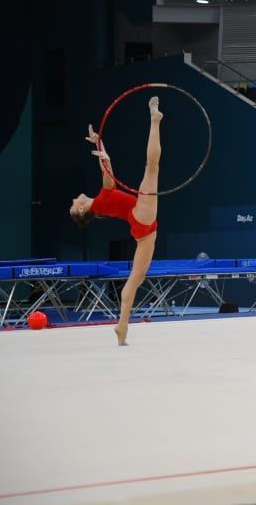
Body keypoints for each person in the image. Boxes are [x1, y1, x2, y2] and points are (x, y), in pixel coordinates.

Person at [69, 97, 162, 346]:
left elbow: (108, 174)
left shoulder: (101, 203)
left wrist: (100, 144)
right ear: (80, 208)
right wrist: (101, 151)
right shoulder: (98, 203)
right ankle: (154, 120)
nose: (73, 198)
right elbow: (108, 178)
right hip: (141, 220)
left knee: (136, 280)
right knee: (151, 167)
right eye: (73, 204)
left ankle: (122, 326)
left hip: (142, 228)